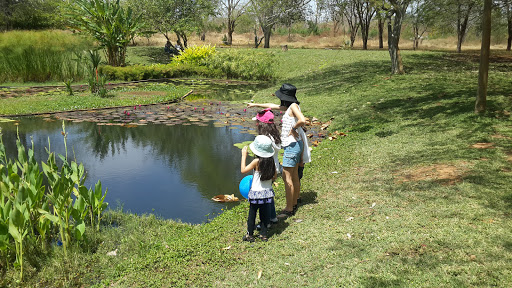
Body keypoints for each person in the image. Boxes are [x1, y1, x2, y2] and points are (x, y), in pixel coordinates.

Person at [247, 83, 306, 218]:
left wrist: (294, 128)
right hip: (296, 145)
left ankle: (289, 209)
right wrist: (255, 105)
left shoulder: (293, 107)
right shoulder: (291, 106)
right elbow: (272, 106)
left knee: (287, 178)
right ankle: (295, 201)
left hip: (292, 146)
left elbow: (302, 120)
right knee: (295, 176)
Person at [241, 135, 277, 242]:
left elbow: (243, 170)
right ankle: (264, 235)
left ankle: (249, 235)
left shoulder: (256, 161)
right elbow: (274, 176)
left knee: (252, 214)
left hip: (256, 194)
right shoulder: (271, 162)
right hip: (267, 194)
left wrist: (244, 156)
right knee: (265, 215)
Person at [252, 108, 281, 227]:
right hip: (274, 167)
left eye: (257, 122)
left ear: (262, 124)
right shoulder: (275, 135)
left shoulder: (266, 139)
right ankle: (272, 216)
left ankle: (266, 221)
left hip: (266, 168)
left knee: (265, 196)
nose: (256, 124)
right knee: (268, 192)